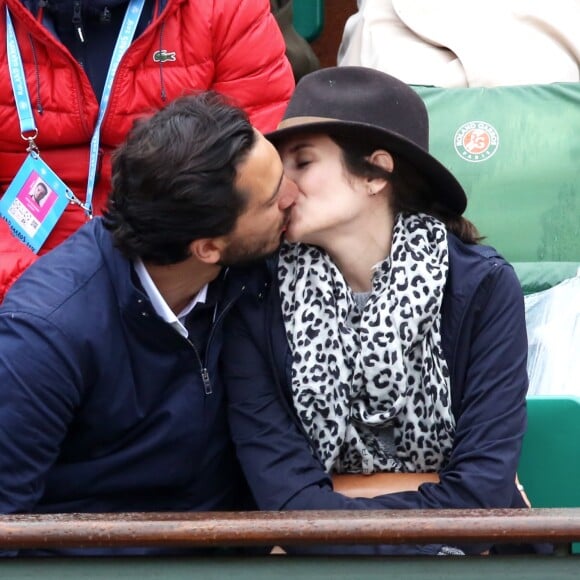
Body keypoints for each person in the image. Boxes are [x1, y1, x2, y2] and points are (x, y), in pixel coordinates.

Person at [222, 66, 540, 556]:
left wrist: (327, 509)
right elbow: (284, 504)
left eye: (302, 163)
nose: (281, 190)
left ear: (376, 172)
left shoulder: (481, 287)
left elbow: (480, 499)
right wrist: (435, 502)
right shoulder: (255, 296)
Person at [0, 91, 296, 556]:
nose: (293, 199)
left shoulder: (256, 271)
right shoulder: (44, 335)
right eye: (273, 198)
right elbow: (5, 528)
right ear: (208, 248)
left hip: (231, 553)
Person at [0, 0, 294, 302]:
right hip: (24, 286)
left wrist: (163, 293)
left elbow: (263, 169)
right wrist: (35, 295)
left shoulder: (224, 8)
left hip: (178, 277)